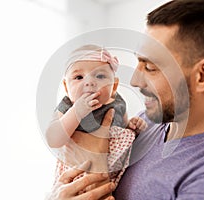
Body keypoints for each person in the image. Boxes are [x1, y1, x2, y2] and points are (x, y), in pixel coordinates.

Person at [50, 0, 204, 199]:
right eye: (138, 63)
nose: (134, 80)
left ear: (203, 76)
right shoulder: (147, 122)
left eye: (150, 67)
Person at [45, 44, 147, 187]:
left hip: (115, 174)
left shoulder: (118, 102)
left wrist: (132, 124)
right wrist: (76, 113)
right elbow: (53, 139)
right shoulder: (68, 106)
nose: (89, 82)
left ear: (114, 86)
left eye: (100, 76)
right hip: (78, 173)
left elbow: (123, 125)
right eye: (79, 77)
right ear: (66, 87)